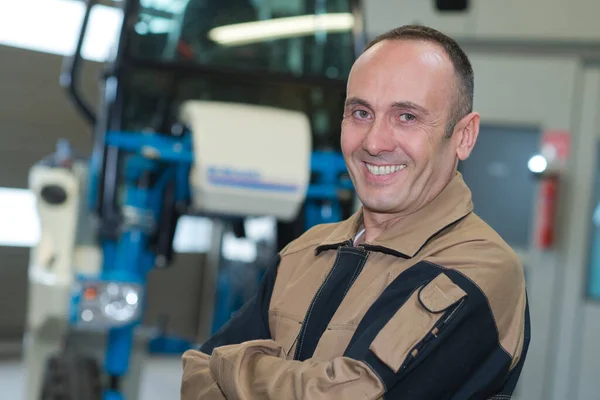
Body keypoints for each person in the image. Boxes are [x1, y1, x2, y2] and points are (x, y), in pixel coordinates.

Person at [181, 24, 530, 400]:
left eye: (406, 117)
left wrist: (231, 366)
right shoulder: (303, 253)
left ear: (463, 136)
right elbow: (195, 371)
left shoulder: (477, 268)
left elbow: (350, 395)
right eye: (361, 113)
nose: (374, 142)